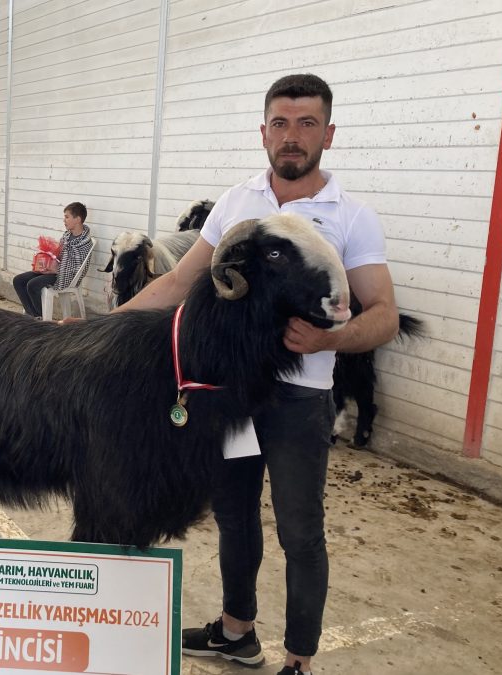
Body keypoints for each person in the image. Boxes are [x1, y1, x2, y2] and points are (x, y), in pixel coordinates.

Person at [116, 74, 399, 675]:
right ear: (263, 131)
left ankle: (299, 661)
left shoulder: (351, 216)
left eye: (306, 124)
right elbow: (175, 283)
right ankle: (236, 632)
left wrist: (333, 338)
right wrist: (96, 329)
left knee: (300, 530)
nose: (291, 137)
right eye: (280, 123)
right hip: (232, 393)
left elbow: (385, 317)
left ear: (328, 132)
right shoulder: (237, 201)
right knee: (233, 513)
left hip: (300, 397)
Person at [12, 201, 92, 318]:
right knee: (18, 280)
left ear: (78, 219)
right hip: (56, 271)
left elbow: (77, 269)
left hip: (66, 276)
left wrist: (56, 270)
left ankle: (40, 317)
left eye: (67, 217)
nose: (64, 220)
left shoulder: (84, 243)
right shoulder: (66, 235)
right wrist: (46, 262)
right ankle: (33, 315)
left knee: (33, 285)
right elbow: (59, 256)